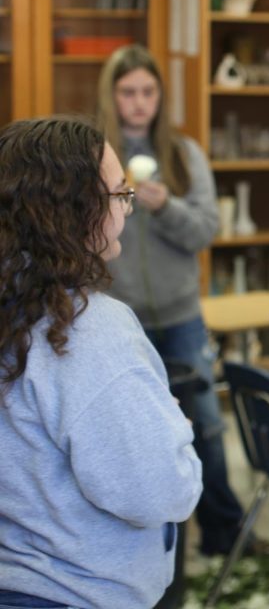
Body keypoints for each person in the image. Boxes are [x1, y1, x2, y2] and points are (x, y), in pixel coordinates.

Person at [0, 117, 202, 608]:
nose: (128, 210)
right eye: (118, 195)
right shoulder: (90, 328)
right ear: (70, 211)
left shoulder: (14, 303)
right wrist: (171, 425)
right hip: (75, 591)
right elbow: (158, 491)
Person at [94, 44, 246, 557]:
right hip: (118, 321)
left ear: (160, 96)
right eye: (128, 92)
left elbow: (206, 229)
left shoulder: (183, 153)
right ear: (111, 96)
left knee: (204, 424)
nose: (139, 103)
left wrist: (165, 206)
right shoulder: (96, 155)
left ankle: (224, 534)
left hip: (181, 315)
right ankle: (152, 543)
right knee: (133, 433)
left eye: (148, 92)